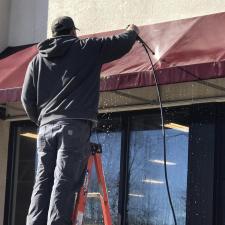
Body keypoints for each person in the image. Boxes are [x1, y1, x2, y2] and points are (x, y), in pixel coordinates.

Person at [21, 16, 139, 225]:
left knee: (43, 181)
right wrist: (132, 31)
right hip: (73, 126)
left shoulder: (37, 60)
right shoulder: (86, 48)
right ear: (73, 31)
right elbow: (119, 44)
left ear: (54, 34)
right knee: (63, 181)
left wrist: (42, 121)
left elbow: (26, 99)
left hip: (46, 128)